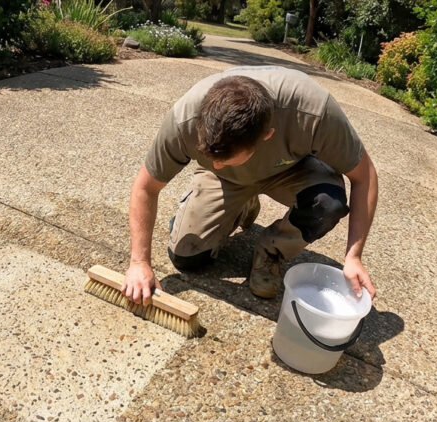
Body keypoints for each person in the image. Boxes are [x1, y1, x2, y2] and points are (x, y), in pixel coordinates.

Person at [121, 66, 379, 306]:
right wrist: (139, 262)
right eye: (212, 156)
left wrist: (353, 256)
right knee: (187, 258)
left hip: (290, 169)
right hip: (225, 181)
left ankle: (272, 251)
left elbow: (364, 176)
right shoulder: (184, 119)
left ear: (267, 136)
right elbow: (145, 187)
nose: (218, 164)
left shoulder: (314, 112)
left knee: (328, 204)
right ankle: (240, 205)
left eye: (225, 159)